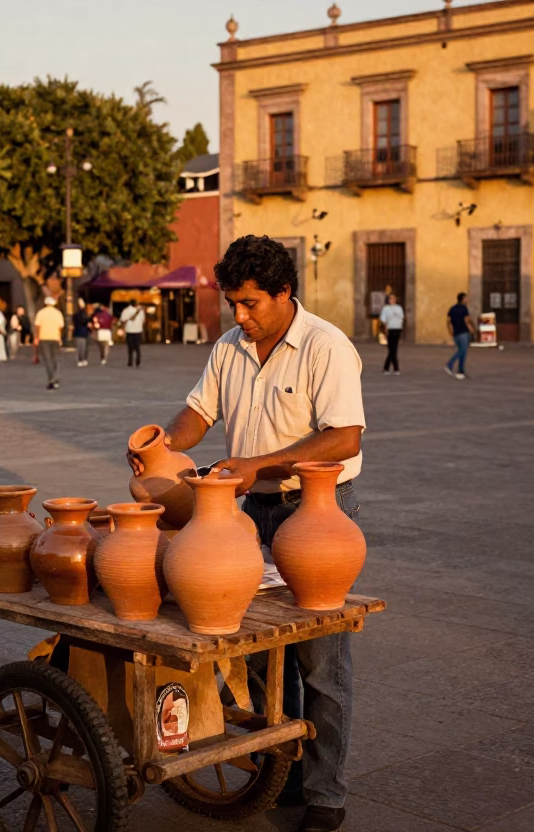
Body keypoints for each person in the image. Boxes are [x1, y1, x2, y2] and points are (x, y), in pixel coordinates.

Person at [130, 235, 365, 832]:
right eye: (232, 303)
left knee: (320, 661)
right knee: (257, 656)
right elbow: (199, 414)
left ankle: (325, 794)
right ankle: (277, 772)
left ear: (284, 294)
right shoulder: (230, 347)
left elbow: (344, 438)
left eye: (250, 303)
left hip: (314, 510)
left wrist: (259, 464)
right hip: (245, 515)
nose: (239, 315)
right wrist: (164, 443)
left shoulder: (325, 346)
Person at [34, 296, 64, 390]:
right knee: (54, 358)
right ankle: (54, 378)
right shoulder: (58, 313)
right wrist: (60, 337)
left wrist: (36, 337)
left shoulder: (41, 313)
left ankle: (51, 379)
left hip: (44, 337)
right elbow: (60, 326)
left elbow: (38, 326)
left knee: (47, 359)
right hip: (55, 337)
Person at [444, 293, 473, 380]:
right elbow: (466, 321)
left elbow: (448, 321)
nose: (467, 300)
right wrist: (472, 331)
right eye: (466, 298)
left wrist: (450, 330)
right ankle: (449, 364)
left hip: (456, 333)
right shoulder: (464, 309)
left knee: (463, 352)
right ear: (462, 299)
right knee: (462, 350)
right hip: (463, 332)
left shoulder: (452, 308)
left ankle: (461, 371)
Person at [379, 294, 404, 375]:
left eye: (393, 298)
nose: (392, 300)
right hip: (390, 329)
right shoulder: (386, 308)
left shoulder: (399, 308)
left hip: (397, 329)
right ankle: (396, 369)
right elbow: (384, 320)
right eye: (390, 299)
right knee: (392, 349)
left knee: (393, 349)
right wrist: (385, 330)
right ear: (388, 300)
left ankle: (386, 368)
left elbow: (401, 317)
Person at [121, 299, 145, 367]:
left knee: (130, 347)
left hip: (129, 330)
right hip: (138, 330)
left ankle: (130, 361)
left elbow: (122, 320)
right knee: (137, 347)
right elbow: (143, 320)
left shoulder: (125, 310)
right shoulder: (140, 311)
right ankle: (138, 361)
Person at [72, 298, 91, 367]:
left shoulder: (75, 315)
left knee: (79, 348)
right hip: (84, 332)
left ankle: (80, 360)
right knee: (84, 347)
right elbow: (86, 322)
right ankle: (84, 359)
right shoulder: (85, 315)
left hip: (77, 332)